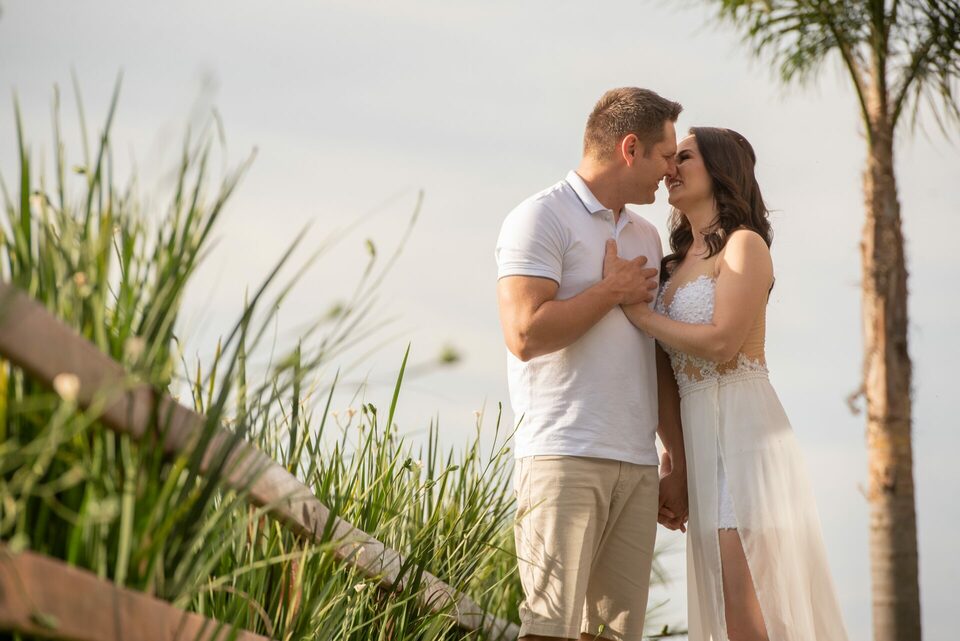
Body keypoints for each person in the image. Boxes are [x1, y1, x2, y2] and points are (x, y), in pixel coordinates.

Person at [610, 127, 850, 641]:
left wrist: (638, 315)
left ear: (719, 170)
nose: (670, 166)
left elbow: (722, 343)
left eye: (685, 157)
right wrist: (672, 457)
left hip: (745, 435)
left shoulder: (746, 245)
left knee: (747, 606)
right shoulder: (672, 266)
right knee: (721, 607)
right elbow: (664, 371)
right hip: (698, 439)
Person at [495, 87, 688, 641]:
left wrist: (672, 455)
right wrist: (612, 291)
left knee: (613, 634)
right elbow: (525, 335)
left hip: (636, 463)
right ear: (631, 149)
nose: (670, 169)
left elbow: (653, 354)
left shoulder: (647, 236)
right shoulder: (539, 218)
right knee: (548, 627)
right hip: (564, 454)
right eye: (665, 154)